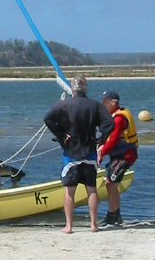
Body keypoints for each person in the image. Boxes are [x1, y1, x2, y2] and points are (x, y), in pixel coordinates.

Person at [44, 76, 114, 234]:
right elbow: (109, 123)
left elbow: (48, 118)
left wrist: (62, 135)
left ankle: (69, 226)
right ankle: (93, 225)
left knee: (70, 191)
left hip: (71, 153)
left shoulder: (63, 105)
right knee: (92, 189)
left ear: (72, 88)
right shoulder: (95, 105)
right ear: (86, 88)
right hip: (89, 152)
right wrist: (100, 139)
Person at [97, 90, 139, 227]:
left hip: (126, 155)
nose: (103, 105)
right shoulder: (113, 116)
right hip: (118, 155)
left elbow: (113, 140)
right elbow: (106, 137)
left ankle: (111, 216)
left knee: (110, 183)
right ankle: (117, 216)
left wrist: (101, 153)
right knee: (111, 183)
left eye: (105, 102)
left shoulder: (120, 118)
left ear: (113, 102)